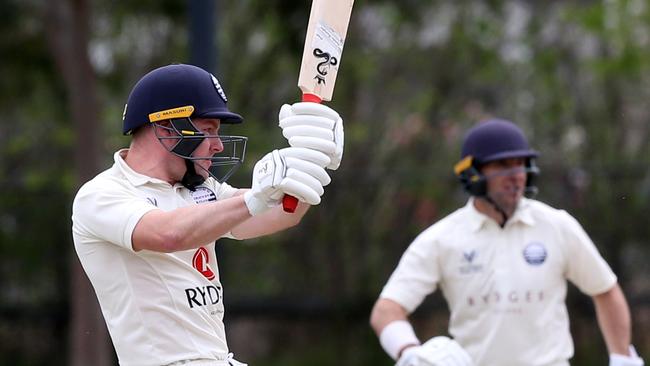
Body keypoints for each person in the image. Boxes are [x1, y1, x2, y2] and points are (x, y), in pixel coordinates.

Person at [71, 63, 344, 366]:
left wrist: (312, 159)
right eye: (208, 130)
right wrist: (255, 196)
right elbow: (168, 234)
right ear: (165, 127)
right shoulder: (101, 195)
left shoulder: (200, 189)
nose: (217, 145)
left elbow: (281, 213)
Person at [369, 119, 645, 366]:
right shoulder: (442, 238)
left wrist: (622, 357)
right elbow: (386, 310)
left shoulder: (556, 225)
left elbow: (605, 289)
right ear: (472, 173)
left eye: (520, 164)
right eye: (502, 165)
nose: (516, 174)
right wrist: (408, 351)